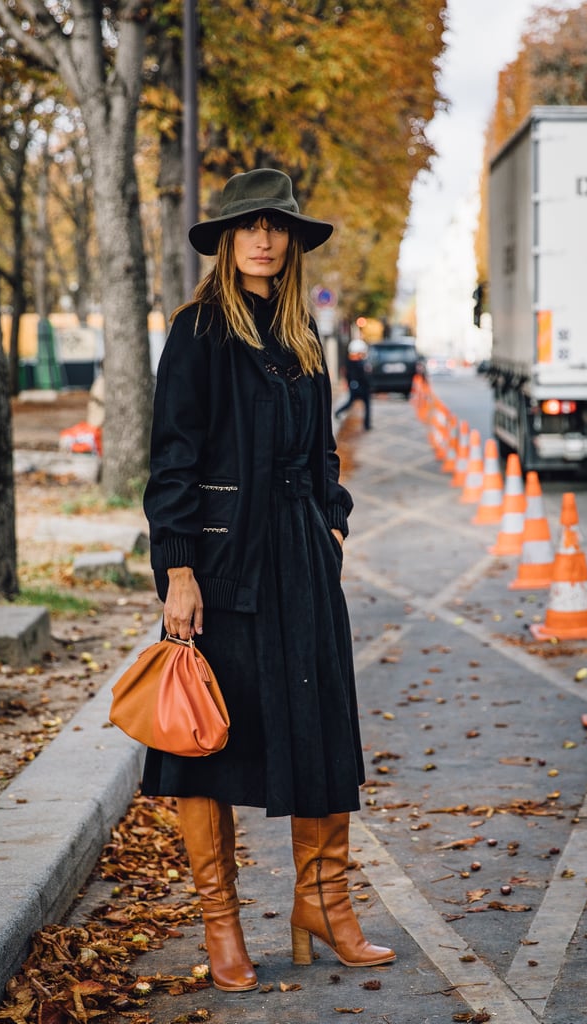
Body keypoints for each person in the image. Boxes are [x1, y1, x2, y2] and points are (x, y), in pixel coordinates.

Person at [142, 168, 395, 992]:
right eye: (247, 225)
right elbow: (172, 457)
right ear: (224, 239)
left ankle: (324, 905)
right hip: (220, 566)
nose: (262, 237)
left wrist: (331, 522)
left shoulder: (301, 336)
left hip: (300, 557)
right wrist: (177, 566)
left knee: (320, 729)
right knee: (204, 742)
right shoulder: (197, 332)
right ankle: (221, 926)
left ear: (290, 240)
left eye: (275, 225)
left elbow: (321, 447)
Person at [335, 338, 372, 429]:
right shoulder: (358, 363)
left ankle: (366, 424)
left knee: (353, 403)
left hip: (356, 387)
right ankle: (366, 425)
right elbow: (362, 376)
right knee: (357, 404)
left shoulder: (351, 362)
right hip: (360, 387)